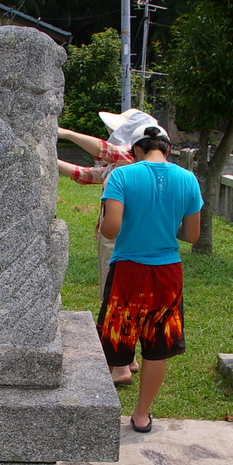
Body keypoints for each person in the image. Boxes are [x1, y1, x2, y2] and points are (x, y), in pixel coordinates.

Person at [97, 124, 202, 433]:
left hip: (129, 271)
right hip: (167, 273)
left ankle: (98, 413)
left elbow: (111, 228)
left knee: (113, 340)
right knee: (156, 348)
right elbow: (192, 235)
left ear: (136, 150)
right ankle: (141, 416)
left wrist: (106, 219)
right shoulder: (188, 179)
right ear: (167, 149)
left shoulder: (122, 176)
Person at [57, 109, 159, 384]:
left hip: (119, 236)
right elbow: (86, 174)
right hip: (119, 237)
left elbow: (105, 151)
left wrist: (63, 133)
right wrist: (50, 160)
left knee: (115, 297)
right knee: (119, 295)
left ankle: (121, 367)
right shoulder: (123, 164)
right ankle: (130, 359)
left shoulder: (130, 158)